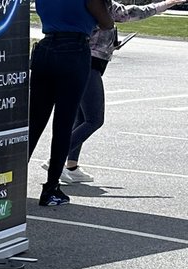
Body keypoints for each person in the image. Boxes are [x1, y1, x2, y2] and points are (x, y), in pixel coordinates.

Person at [53, 0, 180, 184]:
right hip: (88, 64)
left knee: (81, 118)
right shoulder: (102, 5)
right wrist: (166, 4)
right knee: (94, 119)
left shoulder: (88, 5)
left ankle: (71, 165)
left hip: (85, 62)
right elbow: (136, 12)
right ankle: (55, 159)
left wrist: (111, 43)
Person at [28, 0, 114, 207]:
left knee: (34, 122)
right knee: (64, 124)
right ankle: (50, 189)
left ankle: (12, 181)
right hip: (74, 50)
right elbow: (107, 22)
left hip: (45, 46)